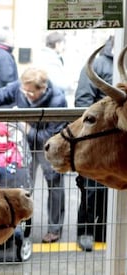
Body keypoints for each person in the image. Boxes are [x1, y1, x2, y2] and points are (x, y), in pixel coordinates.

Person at [0, 67, 67, 243]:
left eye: (31, 92)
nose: (26, 94)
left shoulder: (57, 100)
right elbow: (3, 94)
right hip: (23, 142)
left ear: (42, 89)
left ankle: (55, 229)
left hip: (47, 145)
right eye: (24, 91)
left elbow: (50, 135)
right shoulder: (22, 86)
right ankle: (22, 225)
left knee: (54, 184)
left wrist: (27, 128)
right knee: (24, 183)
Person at [74, 36, 113, 251]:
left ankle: (104, 230)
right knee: (91, 188)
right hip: (97, 139)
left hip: (118, 141)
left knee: (112, 187)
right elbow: (83, 100)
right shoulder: (97, 64)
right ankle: (86, 231)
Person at [0, 26, 18, 93]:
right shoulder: (4, 56)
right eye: (13, 38)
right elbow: (7, 80)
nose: (14, 40)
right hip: (5, 99)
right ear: (7, 39)